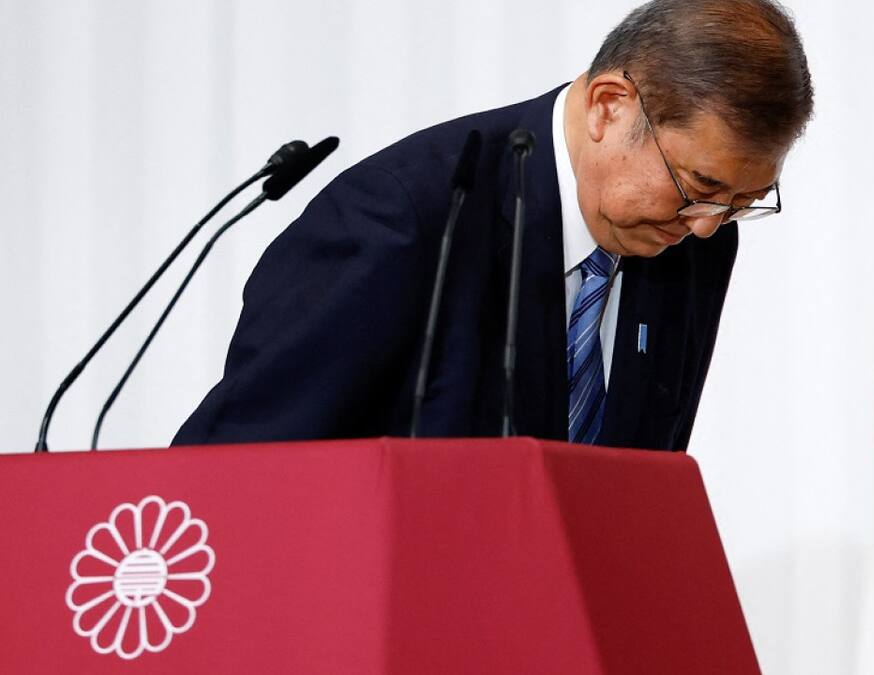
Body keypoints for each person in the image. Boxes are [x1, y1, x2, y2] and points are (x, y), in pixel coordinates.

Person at [173, 0, 814, 451]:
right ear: (610, 107)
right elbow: (238, 471)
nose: (707, 226)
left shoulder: (696, 236)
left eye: (742, 201)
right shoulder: (404, 217)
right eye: (699, 187)